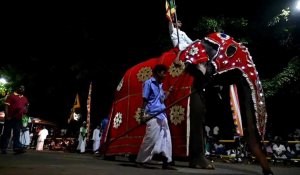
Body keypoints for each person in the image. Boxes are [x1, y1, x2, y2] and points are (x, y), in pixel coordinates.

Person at [135, 64, 175, 170]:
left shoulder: (160, 86)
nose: (165, 75)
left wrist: (169, 93)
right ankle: (141, 160)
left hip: (162, 114)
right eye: (163, 73)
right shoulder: (148, 83)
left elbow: (161, 100)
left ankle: (166, 162)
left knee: (166, 139)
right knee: (150, 138)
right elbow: (145, 100)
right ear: (158, 73)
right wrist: (142, 115)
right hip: (152, 115)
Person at [0, 85, 29, 154]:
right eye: (20, 88)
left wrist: (26, 109)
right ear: (17, 89)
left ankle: (16, 147)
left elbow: (27, 105)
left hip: (18, 119)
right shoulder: (11, 96)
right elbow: (6, 106)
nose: (22, 89)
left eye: (23, 88)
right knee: (7, 133)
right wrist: (7, 116)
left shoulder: (24, 98)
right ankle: (3, 148)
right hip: (10, 118)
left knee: (17, 133)